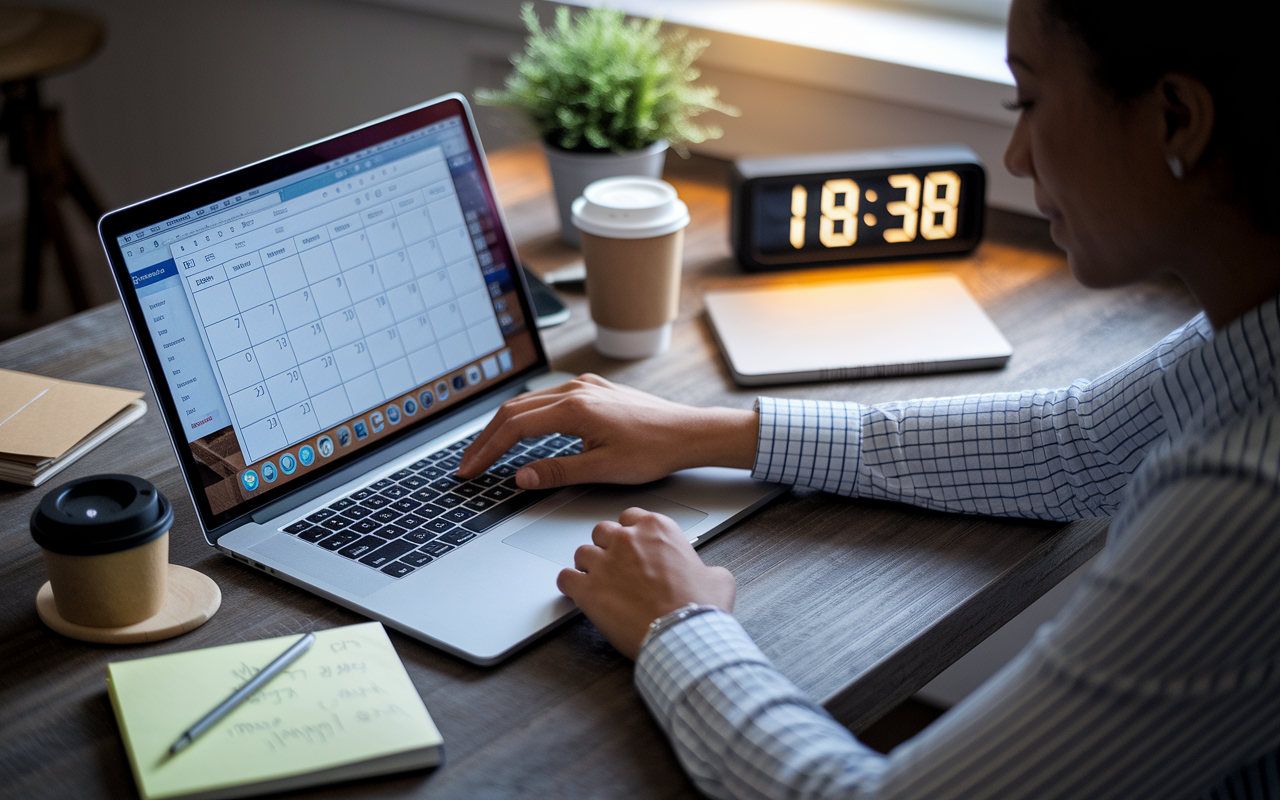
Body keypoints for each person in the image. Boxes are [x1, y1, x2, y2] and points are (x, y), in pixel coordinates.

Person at [457, 0, 1280, 796]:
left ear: (1176, 118)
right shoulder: (1243, 334)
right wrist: (703, 432)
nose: (1019, 155)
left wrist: (679, 624)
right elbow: (1077, 447)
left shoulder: (1246, 501)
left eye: (1029, 99)